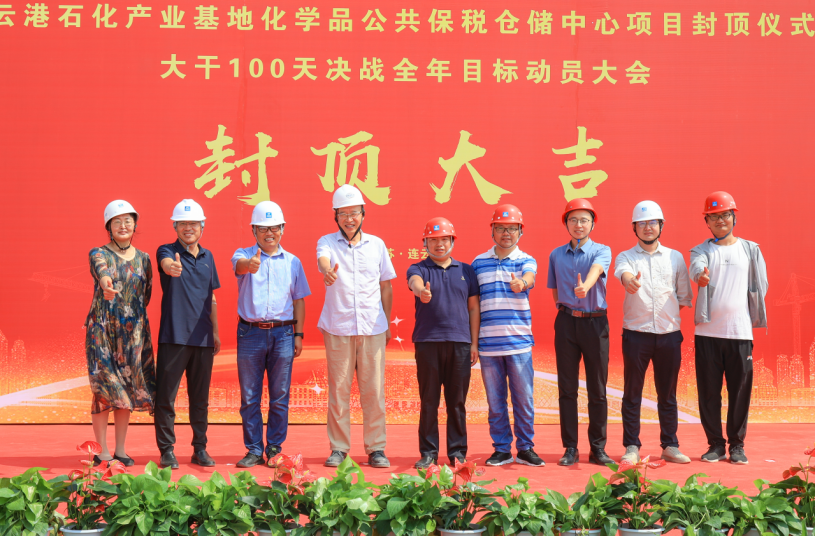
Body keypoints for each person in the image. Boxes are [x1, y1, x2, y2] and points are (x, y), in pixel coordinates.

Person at [317, 184, 396, 468]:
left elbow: (386, 286)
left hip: (373, 328)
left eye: (354, 213)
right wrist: (327, 271)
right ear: (335, 216)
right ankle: (338, 448)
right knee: (339, 391)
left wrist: (386, 323)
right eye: (343, 214)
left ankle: (376, 448)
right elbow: (323, 261)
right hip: (338, 327)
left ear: (363, 213)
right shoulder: (327, 242)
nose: (349, 219)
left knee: (373, 391)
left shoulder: (377, 245)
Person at [231, 201, 311, 468]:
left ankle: (275, 448)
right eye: (263, 228)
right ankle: (254, 449)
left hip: (283, 334)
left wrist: (299, 334)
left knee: (280, 395)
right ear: (253, 230)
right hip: (250, 334)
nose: (269, 233)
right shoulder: (243, 254)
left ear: (282, 229)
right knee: (249, 396)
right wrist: (250, 265)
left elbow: (299, 299)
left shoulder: (293, 262)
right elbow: (240, 266)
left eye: (274, 228)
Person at [690, 191, 768, 465]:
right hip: (707, 333)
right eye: (714, 217)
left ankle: (737, 445)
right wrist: (700, 277)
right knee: (709, 393)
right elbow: (697, 268)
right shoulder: (701, 251)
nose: (720, 220)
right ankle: (715, 445)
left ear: (734, 217)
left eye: (725, 215)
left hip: (740, 333)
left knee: (739, 392)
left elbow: (761, 284)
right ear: (707, 222)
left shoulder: (750, 249)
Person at [613, 201, 693, 465]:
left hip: (669, 335)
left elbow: (683, 296)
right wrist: (630, 282)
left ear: (661, 226)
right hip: (636, 334)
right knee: (632, 393)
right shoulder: (626, 257)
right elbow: (623, 274)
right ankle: (631, 446)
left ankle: (670, 445)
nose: (648, 228)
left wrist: (666, 317)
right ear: (634, 227)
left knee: (667, 394)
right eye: (642, 223)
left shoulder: (675, 257)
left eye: (653, 223)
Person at [84, 200, 156, 466]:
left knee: (126, 389)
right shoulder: (99, 253)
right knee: (105, 388)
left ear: (135, 225)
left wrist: (131, 321)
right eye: (117, 221)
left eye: (128, 221)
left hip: (132, 334)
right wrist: (106, 285)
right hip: (103, 332)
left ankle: (121, 450)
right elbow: (101, 272)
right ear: (109, 227)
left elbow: (145, 295)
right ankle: (101, 450)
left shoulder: (144, 259)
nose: (123, 226)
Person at [472, 205, 544, 467]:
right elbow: (473, 305)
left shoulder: (526, 260)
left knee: (524, 399)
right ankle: (501, 449)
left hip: (519, 344)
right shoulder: (478, 263)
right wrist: (473, 343)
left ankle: (525, 448)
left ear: (520, 231)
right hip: (488, 346)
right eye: (501, 228)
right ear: (492, 230)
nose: (506, 233)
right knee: (495, 402)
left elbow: (530, 277)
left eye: (512, 228)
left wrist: (522, 283)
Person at [407, 217, 480, 469]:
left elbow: (473, 308)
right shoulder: (418, 268)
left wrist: (473, 343)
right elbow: (414, 283)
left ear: (452, 241)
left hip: (460, 344)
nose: (439, 245)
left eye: (444, 240)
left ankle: (457, 452)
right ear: (425, 243)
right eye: (433, 240)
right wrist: (421, 292)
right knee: (429, 400)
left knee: (456, 402)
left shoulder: (467, 271)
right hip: (428, 342)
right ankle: (428, 452)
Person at [154, 199, 221, 469]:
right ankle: (167, 450)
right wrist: (171, 267)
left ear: (202, 226)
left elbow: (211, 296)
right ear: (175, 226)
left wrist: (215, 331)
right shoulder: (167, 250)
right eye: (183, 223)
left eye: (194, 223)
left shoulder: (208, 257)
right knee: (166, 397)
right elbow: (165, 263)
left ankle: (200, 448)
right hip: (174, 336)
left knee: (200, 399)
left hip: (203, 339)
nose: (188, 228)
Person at [547, 198, 613, 467]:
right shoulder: (556, 255)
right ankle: (570, 447)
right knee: (567, 389)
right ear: (566, 223)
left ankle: (598, 448)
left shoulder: (602, 250)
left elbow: (597, 270)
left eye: (584, 220)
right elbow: (554, 290)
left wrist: (585, 286)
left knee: (597, 388)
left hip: (595, 324)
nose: (578, 225)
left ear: (592, 224)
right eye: (573, 219)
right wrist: (567, 309)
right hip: (566, 323)